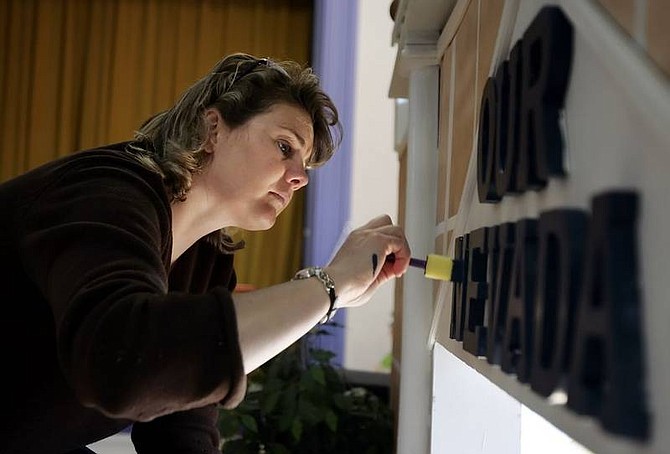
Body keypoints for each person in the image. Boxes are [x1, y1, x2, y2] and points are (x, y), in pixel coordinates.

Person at [0, 52, 411, 454]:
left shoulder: (208, 260)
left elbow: (181, 429)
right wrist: (330, 286)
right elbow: (121, 363)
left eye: (304, 165)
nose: (300, 177)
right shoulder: (106, 193)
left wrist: (330, 291)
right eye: (285, 148)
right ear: (213, 128)